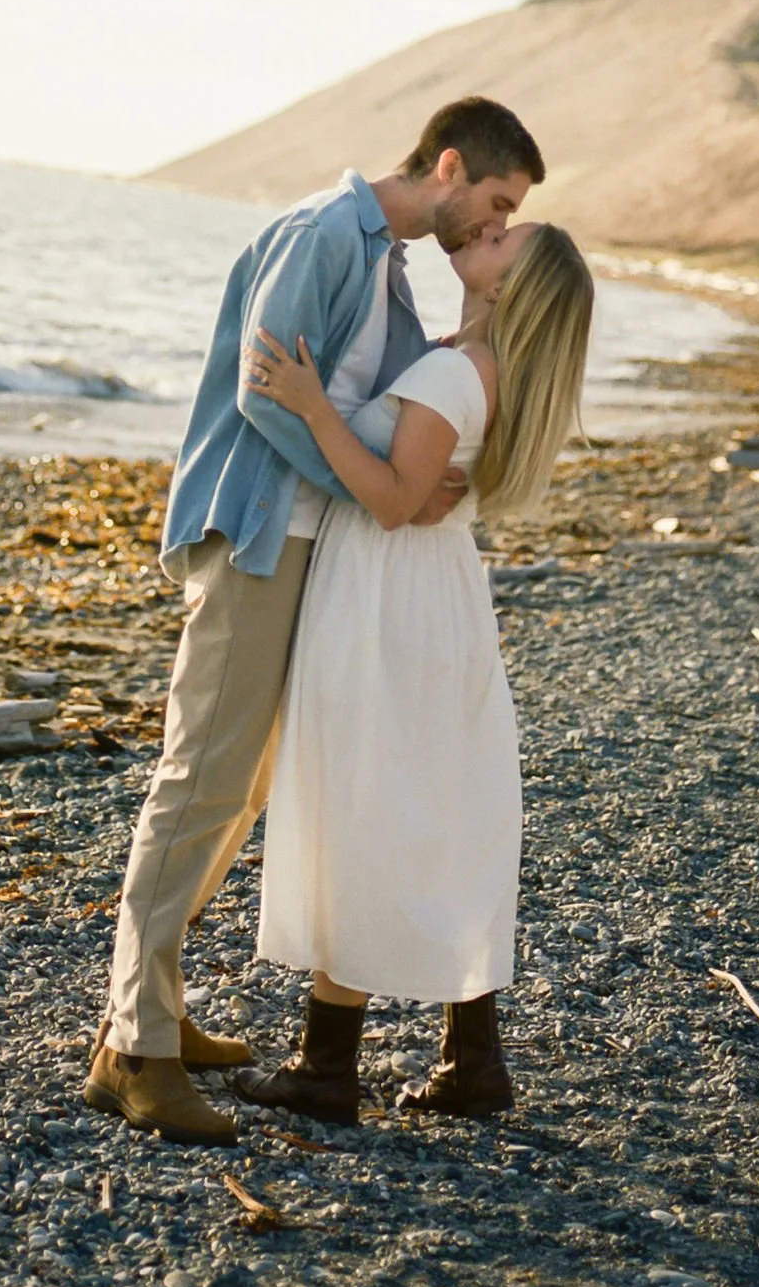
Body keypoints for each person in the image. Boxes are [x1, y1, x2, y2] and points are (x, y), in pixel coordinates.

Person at [84, 95, 545, 1145]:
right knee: (198, 781)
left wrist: (407, 462)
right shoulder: (323, 233)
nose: (489, 225)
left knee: (239, 785)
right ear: (448, 163)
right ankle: (133, 1049)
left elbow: (366, 407)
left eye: (506, 217)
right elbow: (261, 394)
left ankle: (151, 1010)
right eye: (494, 201)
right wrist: (364, 487)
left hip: (303, 548)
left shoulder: (389, 263)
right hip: (255, 532)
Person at [231, 218, 596, 1126]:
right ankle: (474, 1060)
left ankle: (326, 1066)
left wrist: (314, 406)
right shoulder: (477, 369)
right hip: (438, 598)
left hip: (388, 594)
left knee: (365, 800)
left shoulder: (452, 374)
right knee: (440, 806)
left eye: (510, 238)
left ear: (514, 287)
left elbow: (392, 501)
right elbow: (418, 484)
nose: (492, 230)